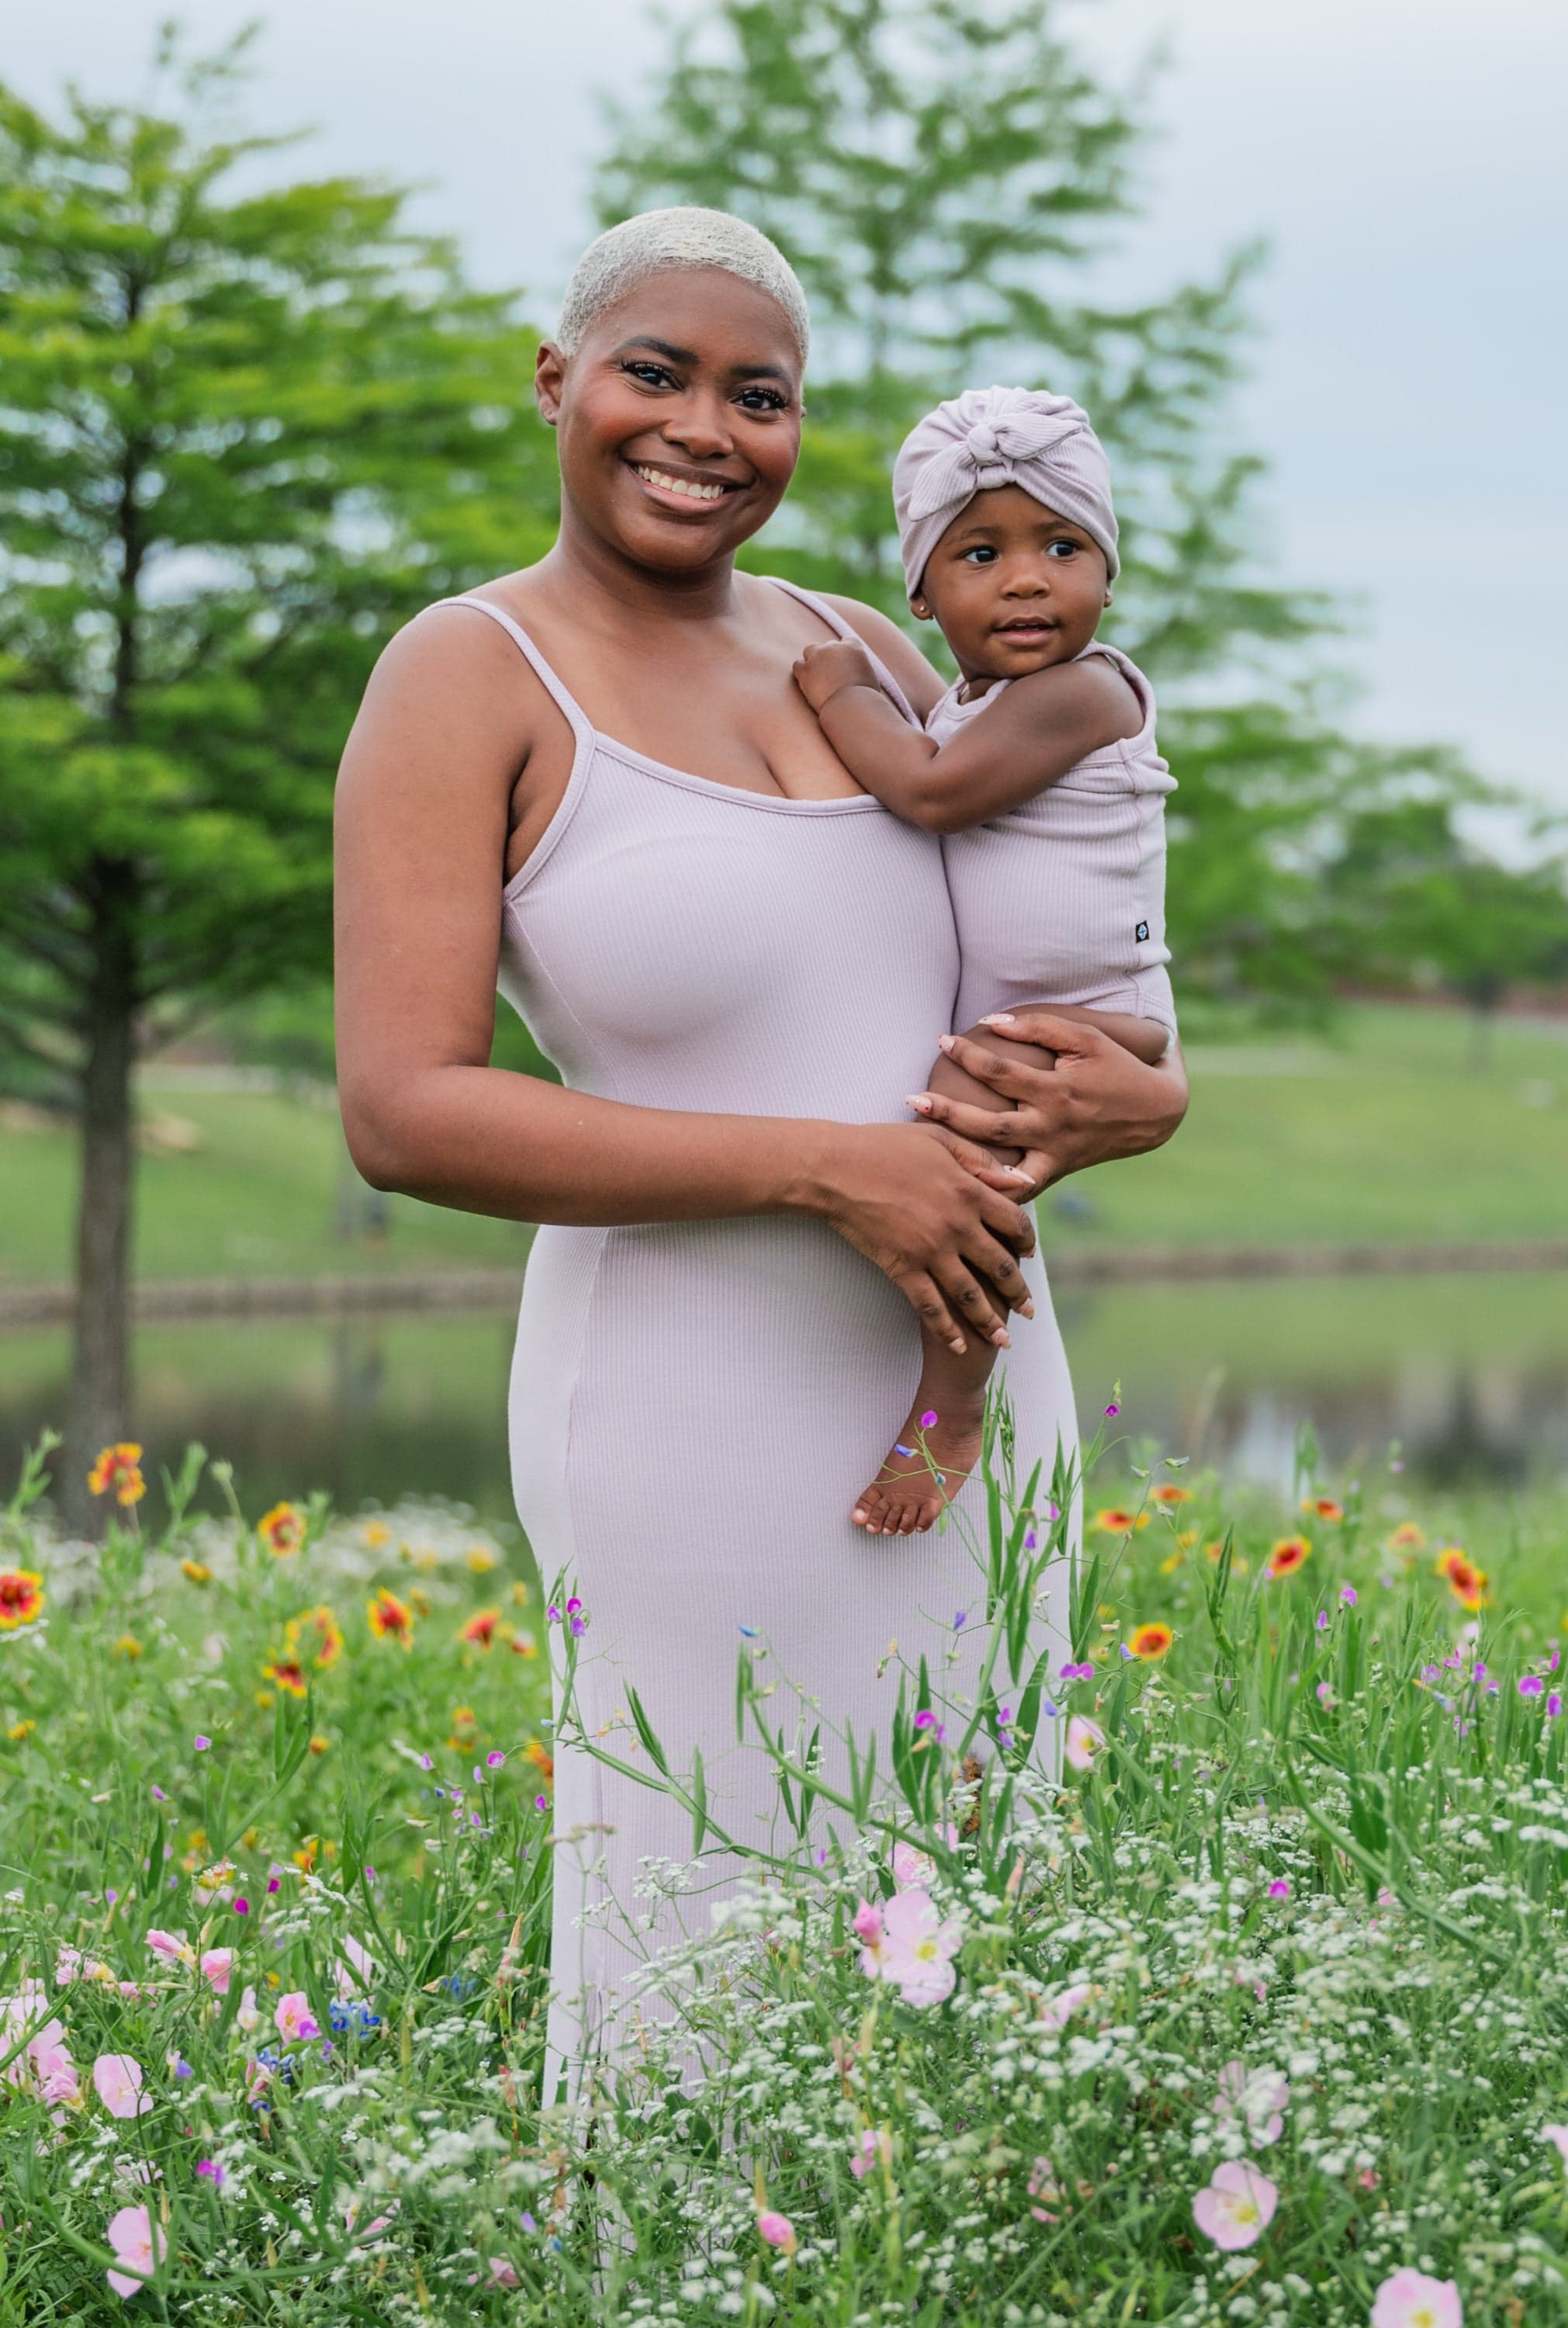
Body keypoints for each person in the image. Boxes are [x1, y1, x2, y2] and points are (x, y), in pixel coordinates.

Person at [331, 207, 1187, 2074]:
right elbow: (406, 1110)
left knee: (978, 1940)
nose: (705, 427)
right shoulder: (466, 674)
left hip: (972, 1392)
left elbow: (1055, 940)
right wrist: (824, 1164)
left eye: (761, 394)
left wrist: (1141, 1096)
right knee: (697, 1950)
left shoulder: (878, 645)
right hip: (688, 1405)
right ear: (559, 381)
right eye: (658, 373)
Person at [792, 386, 1175, 1536]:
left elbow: (930, 792)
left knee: (953, 1179)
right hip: (1049, 1009)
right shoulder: (973, 702)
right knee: (964, 1179)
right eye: (980, 553)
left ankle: (951, 1408)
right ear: (924, 589)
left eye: (1063, 547)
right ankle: (948, 1384)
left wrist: (842, 691)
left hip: (1091, 1013)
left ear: (1108, 578)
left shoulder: (1083, 692)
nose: (1024, 578)